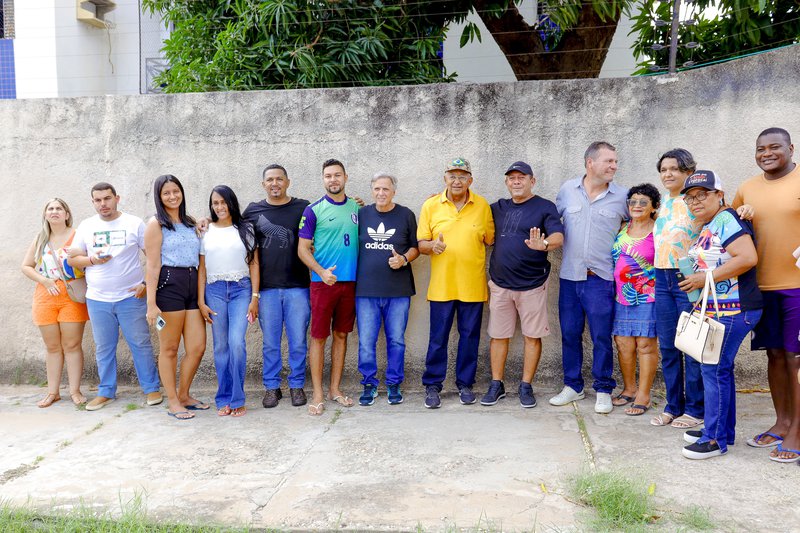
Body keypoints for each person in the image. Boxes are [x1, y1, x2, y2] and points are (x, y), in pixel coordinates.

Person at [678, 170, 762, 459]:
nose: (695, 201)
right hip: (718, 309)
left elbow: (748, 258)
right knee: (716, 370)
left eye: (703, 194)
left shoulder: (727, 219)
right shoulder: (711, 223)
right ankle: (721, 431)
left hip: (735, 309)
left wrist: (704, 278)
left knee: (713, 370)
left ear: (719, 195)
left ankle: (714, 440)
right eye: (690, 198)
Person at [733, 127, 800, 463]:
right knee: (774, 356)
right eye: (761, 148)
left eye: (774, 147)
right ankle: (782, 422)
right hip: (762, 288)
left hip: (798, 287)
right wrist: (741, 215)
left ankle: (797, 432)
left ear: (790, 147)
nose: (767, 153)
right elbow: (729, 231)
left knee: (795, 359)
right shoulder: (746, 189)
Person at [67, 183, 162, 411]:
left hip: (130, 297)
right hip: (98, 298)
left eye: (107, 198)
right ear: (93, 202)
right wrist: (92, 260)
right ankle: (106, 391)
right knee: (104, 347)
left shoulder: (134, 223)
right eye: (98, 200)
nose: (103, 204)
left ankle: (151, 389)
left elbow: (152, 257)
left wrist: (145, 284)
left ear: (117, 198)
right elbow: (73, 259)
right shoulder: (87, 226)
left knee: (140, 344)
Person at [550, 142, 628, 414]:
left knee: (601, 336)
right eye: (608, 161)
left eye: (615, 162)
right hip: (570, 278)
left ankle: (603, 388)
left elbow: (639, 225)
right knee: (570, 334)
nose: (614, 166)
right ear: (590, 163)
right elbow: (551, 222)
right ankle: (573, 386)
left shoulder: (623, 196)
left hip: (602, 279)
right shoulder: (567, 191)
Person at [481, 161, 563, 408]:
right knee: (498, 335)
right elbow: (469, 210)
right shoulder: (497, 207)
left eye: (521, 177)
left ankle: (526, 386)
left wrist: (545, 245)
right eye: (512, 178)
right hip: (501, 283)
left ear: (532, 181)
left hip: (532, 283)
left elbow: (558, 236)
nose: (516, 182)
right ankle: (497, 384)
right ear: (506, 182)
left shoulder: (545, 207)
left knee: (532, 336)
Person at [418, 157, 495, 409]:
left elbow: (490, 240)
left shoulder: (482, 205)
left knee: (469, 337)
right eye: (452, 175)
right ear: (445, 179)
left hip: (472, 286)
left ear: (470, 180)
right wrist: (433, 246)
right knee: (438, 338)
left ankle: (465, 384)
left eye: (462, 176)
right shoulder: (431, 205)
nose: (457, 180)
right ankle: (432, 385)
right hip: (441, 287)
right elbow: (421, 245)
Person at [243, 164, 311, 409]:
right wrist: (205, 220)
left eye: (279, 179)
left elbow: (328, 218)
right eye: (270, 180)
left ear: (287, 182)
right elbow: (230, 226)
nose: (275, 183)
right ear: (264, 184)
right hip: (267, 290)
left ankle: (296, 386)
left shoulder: (304, 207)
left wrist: (355, 203)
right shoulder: (252, 211)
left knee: (298, 341)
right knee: (270, 342)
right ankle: (272, 387)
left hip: (299, 287)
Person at [298, 159, 360, 415]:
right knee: (318, 337)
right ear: (323, 179)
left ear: (345, 177)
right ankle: (318, 394)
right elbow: (302, 250)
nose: (333, 180)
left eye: (337, 175)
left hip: (350, 283)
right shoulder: (313, 210)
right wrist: (321, 272)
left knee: (342, 335)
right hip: (322, 284)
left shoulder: (358, 207)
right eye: (328, 176)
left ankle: (335, 389)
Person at [649, 149, 705, 428]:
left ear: (687, 171)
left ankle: (695, 409)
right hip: (662, 279)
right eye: (663, 169)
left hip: (688, 279)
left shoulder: (696, 199)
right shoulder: (663, 203)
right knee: (669, 346)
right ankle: (673, 405)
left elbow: (721, 224)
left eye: (674, 169)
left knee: (691, 346)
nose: (667, 174)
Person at [144, 175, 206, 420]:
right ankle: (172, 401)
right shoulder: (156, 224)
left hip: (192, 283)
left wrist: (206, 221)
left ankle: (184, 394)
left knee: (197, 347)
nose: (172, 196)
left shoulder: (190, 222)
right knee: (169, 348)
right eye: (166, 193)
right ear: (159, 197)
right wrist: (151, 303)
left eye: (176, 191)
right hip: (169, 286)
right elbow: (152, 265)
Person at [355, 172, 419, 406]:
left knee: (396, 340)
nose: (381, 193)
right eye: (377, 189)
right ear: (371, 191)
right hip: (365, 291)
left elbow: (416, 247)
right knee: (366, 341)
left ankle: (394, 383)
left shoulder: (406, 215)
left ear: (394, 191)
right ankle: (369, 384)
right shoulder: (360, 214)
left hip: (398, 291)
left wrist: (403, 258)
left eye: (386, 189)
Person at [198, 186, 259, 418]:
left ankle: (237, 398)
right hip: (213, 291)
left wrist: (255, 297)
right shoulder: (205, 231)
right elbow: (202, 269)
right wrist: (201, 301)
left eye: (223, 202)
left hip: (241, 290)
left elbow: (254, 264)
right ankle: (223, 397)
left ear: (231, 202)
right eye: (215, 203)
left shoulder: (246, 228)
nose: (219, 207)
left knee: (236, 343)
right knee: (221, 346)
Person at [22, 198, 89, 407]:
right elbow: (26, 266)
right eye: (50, 209)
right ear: (45, 214)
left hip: (71, 293)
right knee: (52, 346)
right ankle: (53, 392)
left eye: (59, 208)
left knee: (71, 344)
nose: (54, 211)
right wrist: (44, 280)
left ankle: (75, 391)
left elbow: (89, 260)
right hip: (45, 295)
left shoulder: (78, 236)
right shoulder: (41, 238)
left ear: (67, 214)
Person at [610, 183, 660, 416]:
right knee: (623, 344)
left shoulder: (658, 229)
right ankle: (628, 389)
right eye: (633, 201)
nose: (636, 206)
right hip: (621, 296)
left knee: (645, 345)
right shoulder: (622, 227)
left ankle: (643, 394)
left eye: (643, 202)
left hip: (649, 296)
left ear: (653, 207)